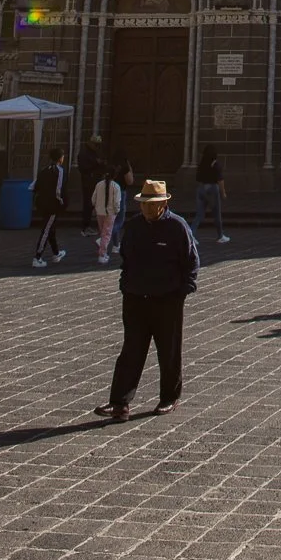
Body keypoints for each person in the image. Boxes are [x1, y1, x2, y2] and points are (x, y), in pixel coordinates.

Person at [94, 179, 200, 422]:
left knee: (169, 350)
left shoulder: (177, 227)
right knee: (131, 350)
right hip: (136, 297)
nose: (147, 208)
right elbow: (126, 258)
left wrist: (183, 289)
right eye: (144, 204)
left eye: (152, 204)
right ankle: (120, 403)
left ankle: (169, 397)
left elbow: (191, 260)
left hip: (167, 299)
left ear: (163, 203)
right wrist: (126, 285)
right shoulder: (134, 227)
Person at [31, 148, 68, 268]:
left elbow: (34, 186)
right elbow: (59, 190)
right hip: (52, 205)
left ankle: (56, 253)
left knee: (50, 228)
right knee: (47, 230)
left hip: (42, 203)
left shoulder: (43, 170)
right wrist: (61, 202)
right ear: (60, 158)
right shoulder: (59, 171)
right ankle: (37, 257)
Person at [192, 145, 230, 245]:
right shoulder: (216, 165)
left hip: (201, 188)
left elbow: (198, 177)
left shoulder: (202, 164)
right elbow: (220, 180)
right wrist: (223, 193)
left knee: (199, 214)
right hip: (212, 189)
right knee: (217, 213)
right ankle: (220, 236)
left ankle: (191, 235)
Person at [92, 165, 123, 265]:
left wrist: (96, 206)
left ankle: (102, 247)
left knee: (103, 232)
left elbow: (93, 198)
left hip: (100, 211)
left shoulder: (99, 184)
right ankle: (102, 254)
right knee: (107, 233)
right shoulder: (116, 186)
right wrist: (117, 210)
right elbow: (117, 202)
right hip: (110, 212)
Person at [76, 134, 105, 236]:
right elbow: (83, 167)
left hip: (95, 181)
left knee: (92, 204)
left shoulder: (94, 152)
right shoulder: (84, 153)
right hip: (89, 181)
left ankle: (90, 225)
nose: (97, 147)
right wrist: (96, 163)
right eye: (96, 144)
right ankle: (85, 227)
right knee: (88, 203)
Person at [108, 148, 134, 256]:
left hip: (108, 192)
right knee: (120, 220)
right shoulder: (124, 166)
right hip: (120, 193)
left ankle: (115, 245)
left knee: (113, 219)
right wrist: (129, 167)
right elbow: (130, 181)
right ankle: (105, 237)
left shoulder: (109, 166)